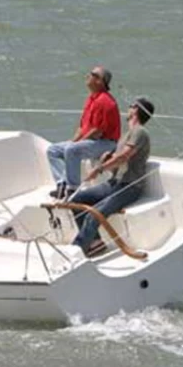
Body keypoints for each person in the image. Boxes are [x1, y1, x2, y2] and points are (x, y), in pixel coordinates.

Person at [69, 97, 155, 257]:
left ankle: (76, 250)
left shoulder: (140, 132)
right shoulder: (127, 134)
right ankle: (94, 243)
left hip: (129, 187)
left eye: (131, 106)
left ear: (136, 110)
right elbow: (118, 158)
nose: (128, 108)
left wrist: (100, 168)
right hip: (114, 183)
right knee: (76, 200)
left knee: (93, 213)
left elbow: (124, 157)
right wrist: (107, 158)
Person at [47, 66, 121, 199]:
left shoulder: (105, 101)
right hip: (92, 140)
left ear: (100, 81)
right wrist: (74, 141)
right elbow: (82, 127)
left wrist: (76, 144)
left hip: (105, 142)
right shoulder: (91, 99)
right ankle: (61, 185)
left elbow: (98, 131)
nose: (88, 76)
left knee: (71, 150)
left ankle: (72, 189)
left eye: (92, 74)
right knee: (53, 150)